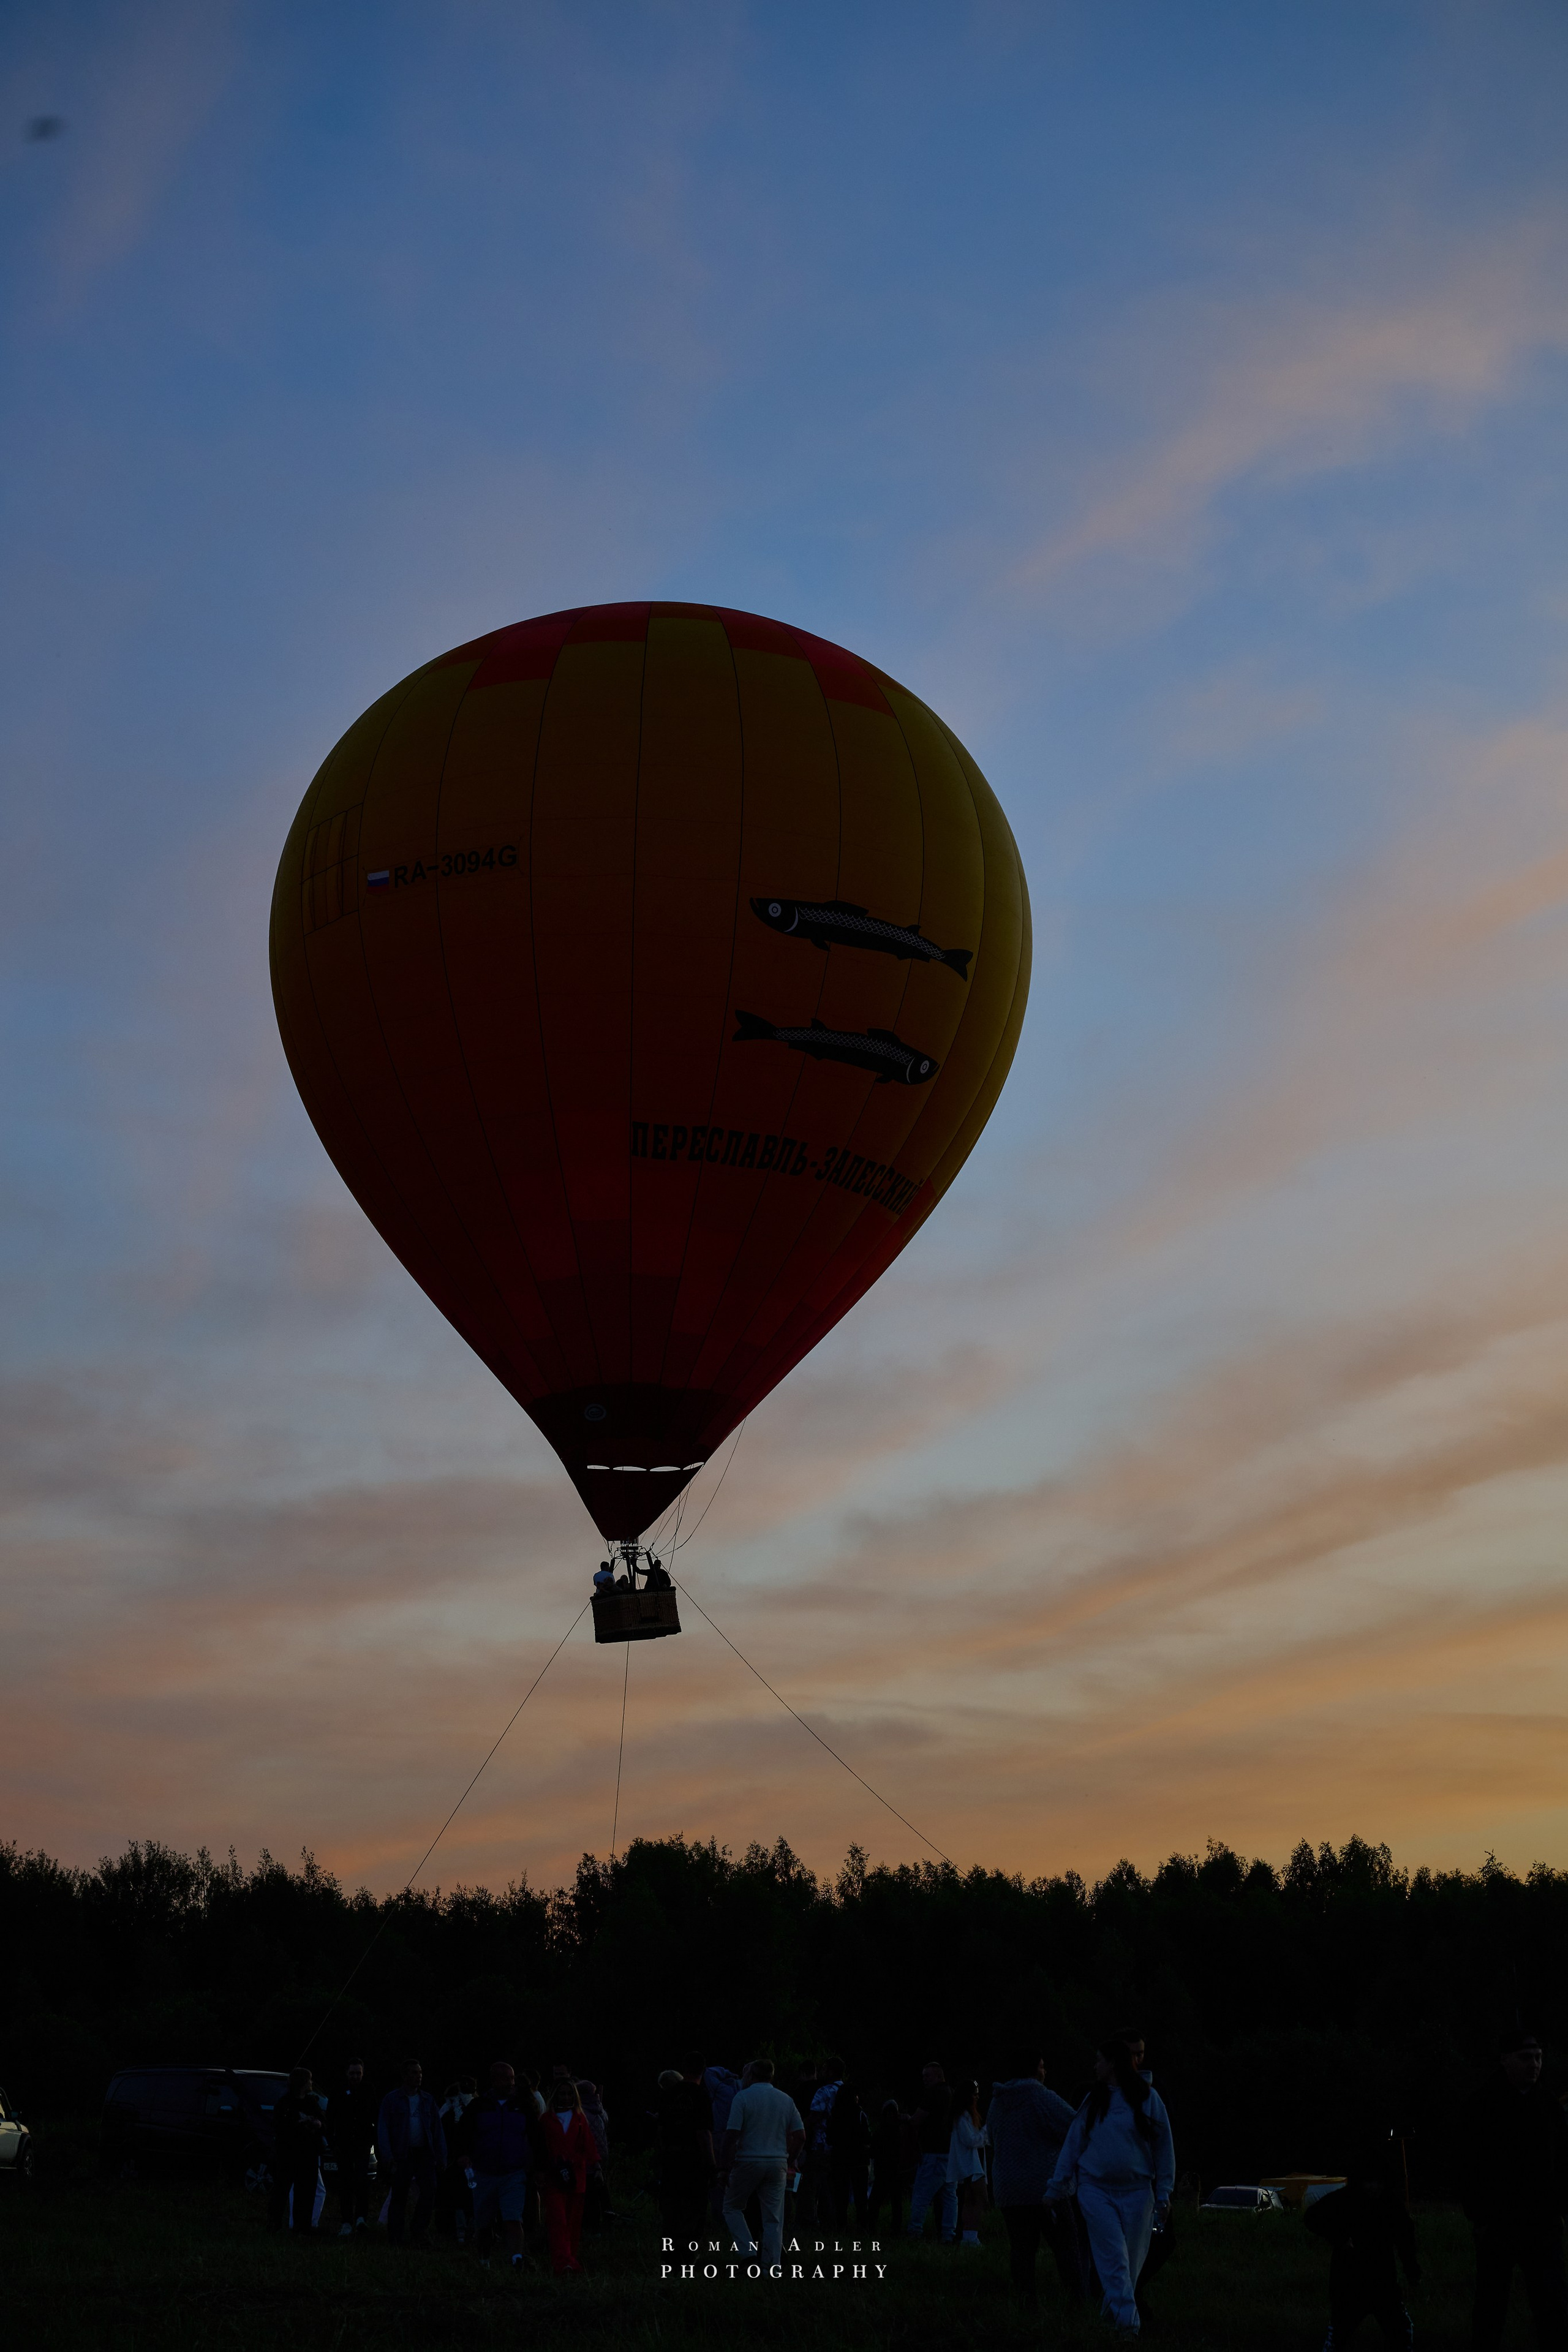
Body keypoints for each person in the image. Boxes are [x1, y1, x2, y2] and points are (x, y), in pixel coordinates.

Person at [1046, 2032, 1175, 2339]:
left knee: (1130, 2266)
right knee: (1114, 2259)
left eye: (1099, 2060)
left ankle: (1109, 2321)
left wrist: (1164, 2194)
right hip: (1096, 2190)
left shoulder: (1147, 2098)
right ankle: (1129, 2330)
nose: (1095, 2066)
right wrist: (1056, 2188)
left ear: (1113, 2063)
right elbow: (1073, 2145)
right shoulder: (1095, 2100)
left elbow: (1164, 2147)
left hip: (1138, 2193)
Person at [1461, 2026, 1568, 2351]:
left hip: (1542, 2225)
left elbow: (1563, 2161)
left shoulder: (1548, 2105)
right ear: (1505, 2060)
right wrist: (1480, 2218)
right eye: (1525, 2058)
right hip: (1499, 2225)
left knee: (1551, 2306)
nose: (1534, 2065)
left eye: (1538, 2058)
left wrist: (1558, 2211)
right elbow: (1468, 2166)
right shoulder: (1482, 2106)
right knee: (1491, 2307)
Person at [1306, 2133, 1421, 2350]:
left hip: (1383, 2284)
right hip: (1349, 2284)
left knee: (1402, 2336)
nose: (1373, 2187)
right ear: (1360, 2181)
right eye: (1369, 2181)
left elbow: (1406, 2237)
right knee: (1338, 2338)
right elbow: (1311, 2218)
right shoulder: (1344, 2200)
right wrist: (1339, 2238)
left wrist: (1412, 2270)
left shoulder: (1390, 2204)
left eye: (1377, 2181)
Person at [986, 2052, 1078, 2311]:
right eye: (1042, 2066)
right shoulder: (1040, 2096)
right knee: (1066, 2247)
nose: (1044, 2072)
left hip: (1009, 2189)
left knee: (1022, 2249)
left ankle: (1027, 2304)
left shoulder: (998, 2101)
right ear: (1033, 2070)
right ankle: (1076, 2302)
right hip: (1044, 2187)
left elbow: (992, 2138)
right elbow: (1075, 2127)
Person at [720, 2058, 805, 2271]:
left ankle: (748, 2253)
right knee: (774, 2219)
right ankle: (771, 2268)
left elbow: (732, 2134)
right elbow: (801, 2135)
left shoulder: (743, 2098)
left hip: (748, 2160)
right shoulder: (786, 2100)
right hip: (777, 2163)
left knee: (731, 2207)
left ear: (751, 2075)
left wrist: (724, 2163)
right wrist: (789, 2156)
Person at [458, 2062, 539, 2272]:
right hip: (484, 2173)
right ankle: (484, 2262)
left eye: (512, 2078)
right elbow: (464, 2134)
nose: (511, 2083)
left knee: (513, 2218)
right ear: (494, 2080)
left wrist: (534, 2166)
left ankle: (517, 2261)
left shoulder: (523, 2106)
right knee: (484, 2222)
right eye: (506, 2078)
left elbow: (536, 2138)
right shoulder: (478, 2106)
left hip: (514, 2173)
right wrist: (464, 2155)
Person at [377, 2059, 448, 2246]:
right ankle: (396, 2235)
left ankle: (419, 2229)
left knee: (430, 2190)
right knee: (399, 2194)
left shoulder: (427, 2100)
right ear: (404, 2075)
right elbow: (383, 2129)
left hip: (424, 2153)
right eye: (414, 2073)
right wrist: (388, 2156)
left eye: (420, 2073)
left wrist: (442, 2156)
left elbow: (437, 2130)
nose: (419, 2077)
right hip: (403, 2153)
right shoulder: (392, 2100)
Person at [541, 2075, 593, 2277]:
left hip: (576, 2177)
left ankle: (569, 2259)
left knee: (572, 2222)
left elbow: (588, 2145)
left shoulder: (580, 2119)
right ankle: (562, 2261)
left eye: (569, 2094)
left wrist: (595, 2168)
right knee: (558, 2220)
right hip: (554, 2176)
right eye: (562, 2094)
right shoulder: (546, 2120)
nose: (565, 2097)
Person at [658, 2056, 715, 2240]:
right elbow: (703, 2132)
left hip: (670, 2157)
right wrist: (711, 2163)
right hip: (693, 2159)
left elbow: (661, 2127)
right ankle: (688, 2252)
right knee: (694, 2208)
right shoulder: (701, 2095)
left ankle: (669, 2251)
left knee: (671, 2208)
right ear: (703, 2071)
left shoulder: (668, 2094)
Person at [906, 2060, 957, 2244]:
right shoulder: (952, 2093)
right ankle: (948, 2234)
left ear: (938, 2075)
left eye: (927, 2075)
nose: (924, 2080)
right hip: (950, 2153)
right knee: (949, 2196)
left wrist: (906, 2120)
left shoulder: (933, 2094)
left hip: (932, 2152)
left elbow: (917, 2120)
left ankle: (915, 2232)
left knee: (921, 2194)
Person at [272, 2065, 326, 2235]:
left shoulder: (312, 2102)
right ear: (302, 2082)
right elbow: (280, 2127)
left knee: (307, 2193)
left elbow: (323, 2123)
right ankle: (274, 2226)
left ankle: (302, 2227)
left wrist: (317, 2124)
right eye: (309, 2080)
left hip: (308, 2155)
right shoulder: (285, 2104)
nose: (311, 2083)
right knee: (281, 2190)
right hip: (288, 2154)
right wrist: (300, 2123)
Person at [327, 2060, 377, 2238]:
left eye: (358, 2073)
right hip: (344, 2145)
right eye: (352, 2073)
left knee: (363, 2182)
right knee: (346, 2184)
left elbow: (374, 2115)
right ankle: (347, 2221)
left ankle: (361, 2218)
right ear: (347, 2074)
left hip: (363, 2144)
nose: (355, 2076)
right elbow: (330, 2118)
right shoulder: (339, 2091)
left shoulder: (369, 2090)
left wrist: (372, 2139)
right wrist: (333, 2144)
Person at [947, 2078, 990, 2247]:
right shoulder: (962, 2118)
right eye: (975, 2095)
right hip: (970, 2166)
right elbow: (970, 2140)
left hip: (972, 2165)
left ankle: (969, 2237)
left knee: (972, 2200)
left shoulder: (965, 2117)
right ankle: (970, 2237)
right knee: (979, 2199)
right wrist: (987, 2131)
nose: (977, 2098)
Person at [438, 2075, 478, 2244]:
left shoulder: (449, 2110)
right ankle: (462, 2230)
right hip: (456, 2161)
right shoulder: (450, 2111)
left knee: (464, 2197)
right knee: (461, 2197)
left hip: (463, 2161)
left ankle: (465, 2229)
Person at [827, 2078, 872, 2227]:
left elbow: (829, 2138)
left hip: (839, 2160)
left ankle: (841, 2225)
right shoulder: (860, 2114)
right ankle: (862, 2226)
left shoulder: (835, 2114)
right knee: (861, 2197)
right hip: (859, 2161)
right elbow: (867, 2137)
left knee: (841, 2197)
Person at [867, 2098, 908, 2237]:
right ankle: (895, 2230)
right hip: (895, 2171)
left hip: (883, 2171)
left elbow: (872, 2151)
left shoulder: (881, 2131)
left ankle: (871, 2228)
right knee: (896, 2203)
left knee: (875, 2202)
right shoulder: (900, 2130)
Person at [577, 2080, 613, 2228]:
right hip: (602, 2154)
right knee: (600, 2189)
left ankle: (592, 2225)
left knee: (590, 2193)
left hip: (590, 2157)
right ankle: (608, 2217)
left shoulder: (582, 2112)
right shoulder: (599, 2109)